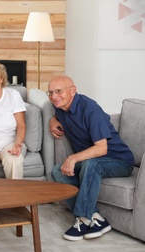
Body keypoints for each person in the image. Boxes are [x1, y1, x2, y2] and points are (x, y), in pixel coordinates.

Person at [47, 75, 134, 241]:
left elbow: (102, 149)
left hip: (119, 161)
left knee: (90, 164)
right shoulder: (60, 106)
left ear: (73, 91)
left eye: (59, 91)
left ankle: (83, 218)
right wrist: (53, 120)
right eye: (50, 92)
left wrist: (73, 158)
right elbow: (57, 114)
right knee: (58, 171)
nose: (54, 96)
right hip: (91, 160)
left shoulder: (90, 109)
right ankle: (96, 217)